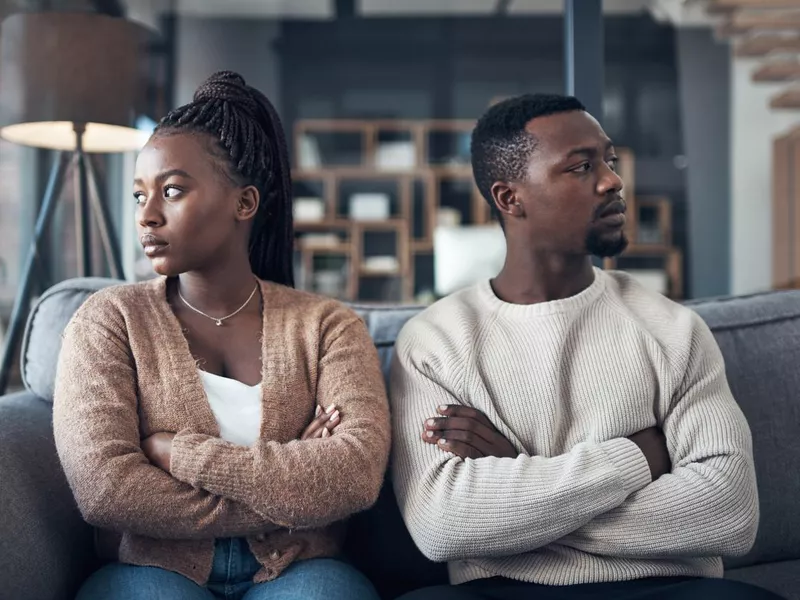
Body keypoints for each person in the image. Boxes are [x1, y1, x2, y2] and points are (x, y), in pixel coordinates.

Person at [389, 94, 782, 600]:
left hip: (667, 587)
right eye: (581, 166)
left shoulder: (674, 329)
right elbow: (442, 524)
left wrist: (518, 480)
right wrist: (636, 458)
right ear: (510, 198)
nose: (613, 181)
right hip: (502, 591)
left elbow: (730, 513)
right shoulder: (434, 341)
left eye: (609, 161)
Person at [53, 71, 390, 600]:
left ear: (245, 203)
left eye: (172, 190)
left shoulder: (327, 325)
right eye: (139, 194)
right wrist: (290, 493)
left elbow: (353, 475)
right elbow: (106, 491)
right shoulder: (109, 320)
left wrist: (176, 454)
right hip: (153, 570)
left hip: (300, 571)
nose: (148, 215)